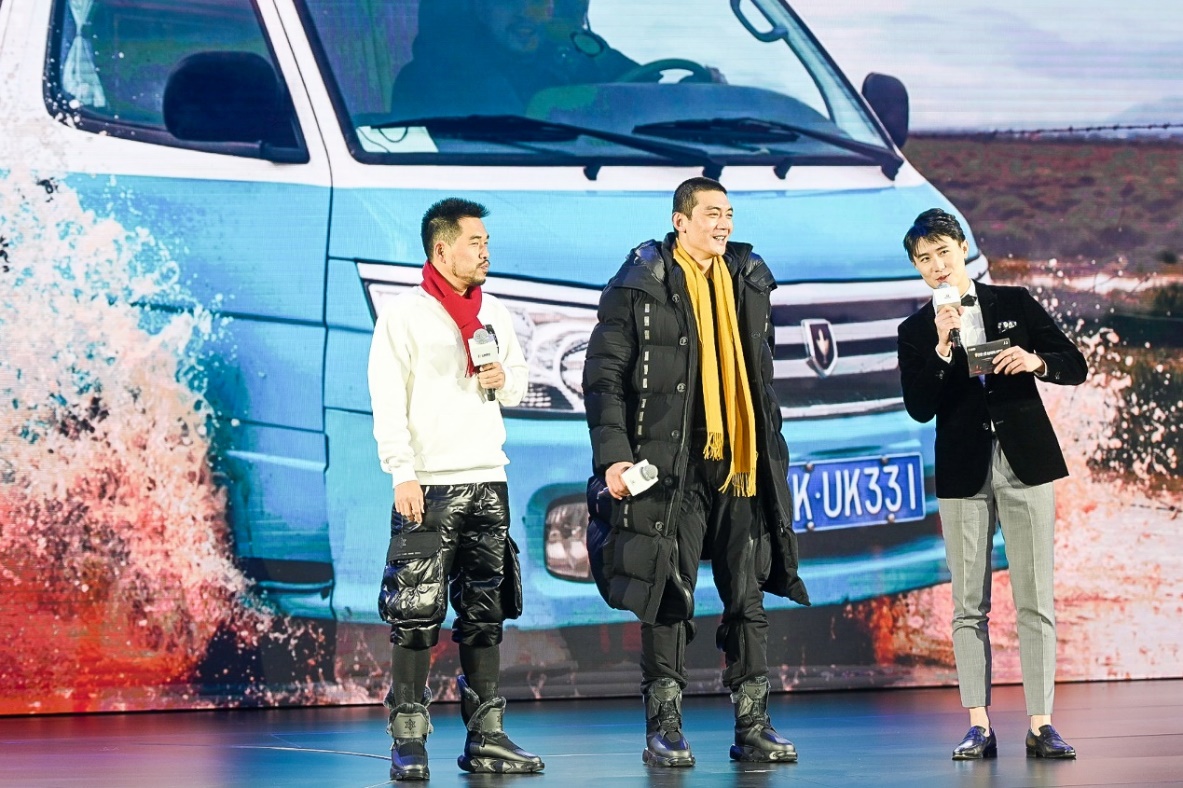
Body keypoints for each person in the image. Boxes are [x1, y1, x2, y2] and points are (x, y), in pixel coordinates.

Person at [583, 177, 810, 767]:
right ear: (680, 221)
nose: (723, 223)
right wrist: (613, 456)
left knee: (747, 593)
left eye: (728, 213)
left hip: (740, 462)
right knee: (667, 590)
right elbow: (603, 378)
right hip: (670, 466)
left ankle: (753, 724)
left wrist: (770, 449)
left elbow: (760, 379)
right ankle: (664, 727)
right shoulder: (639, 285)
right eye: (711, 213)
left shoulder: (748, 280)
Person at [897, 208, 1088, 761]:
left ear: (963, 248)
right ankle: (978, 724)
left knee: (1035, 597)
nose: (937, 265)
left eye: (943, 252)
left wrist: (1034, 360)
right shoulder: (915, 331)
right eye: (924, 259)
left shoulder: (1014, 303)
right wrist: (941, 348)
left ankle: (1042, 723)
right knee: (967, 604)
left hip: (1025, 460)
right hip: (963, 470)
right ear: (917, 268)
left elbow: (1074, 364)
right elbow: (918, 407)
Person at [367, 198, 544, 780]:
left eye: (487, 241)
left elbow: (517, 385)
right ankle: (409, 739)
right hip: (430, 483)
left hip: (487, 477)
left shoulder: (495, 312)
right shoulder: (405, 315)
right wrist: (402, 471)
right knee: (416, 611)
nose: (485, 251)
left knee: (485, 612)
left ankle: (486, 737)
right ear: (441, 249)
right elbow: (388, 398)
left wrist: (503, 378)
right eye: (475, 242)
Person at [390, 0, 639, 119]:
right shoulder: (429, 80)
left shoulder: (572, 62)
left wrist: (598, 53)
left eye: (537, 2)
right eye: (509, 2)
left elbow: (644, 95)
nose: (525, 13)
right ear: (481, 10)